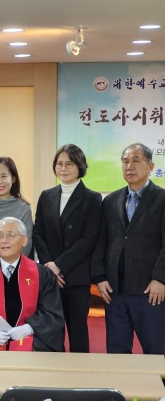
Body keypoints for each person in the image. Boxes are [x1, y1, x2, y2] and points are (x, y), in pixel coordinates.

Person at [91, 143, 165, 355]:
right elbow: (101, 242)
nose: (129, 166)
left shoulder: (162, 199)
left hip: (150, 291)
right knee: (117, 351)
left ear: (150, 166)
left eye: (135, 160)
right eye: (125, 161)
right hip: (114, 291)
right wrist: (100, 277)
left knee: (155, 350)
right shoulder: (111, 200)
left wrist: (160, 279)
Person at [33, 144, 102, 353]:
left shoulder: (92, 198)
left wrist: (59, 265)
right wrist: (50, 267)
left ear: (80, 166)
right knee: (52, 332)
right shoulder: (47, 195)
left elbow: (88, 239)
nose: (63, 168)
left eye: (69, 164)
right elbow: (38, 233)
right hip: (50, 278)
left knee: (78, 332)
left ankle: (81, 372)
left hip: (76, 277)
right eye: (59, 164)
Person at [0, 217, 65, 352]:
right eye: (0, 236)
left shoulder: (41, 274)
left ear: (24, 240)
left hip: (31, 338)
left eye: (10, 235)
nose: (4, 240)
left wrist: (29, 328)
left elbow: (52, 313)